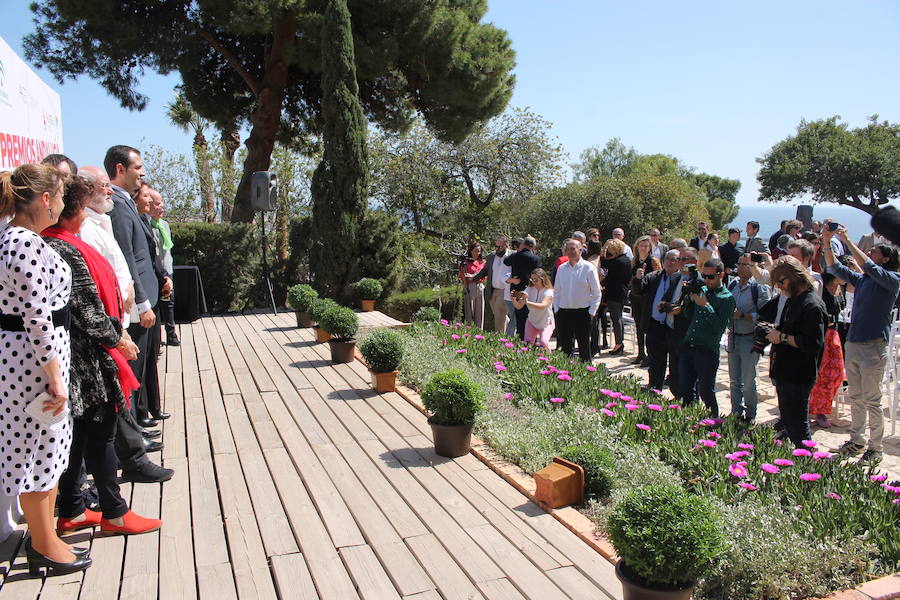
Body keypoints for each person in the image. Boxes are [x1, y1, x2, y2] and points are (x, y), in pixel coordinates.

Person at [42, 176, 161, 536]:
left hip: (81, 354)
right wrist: (118, 338)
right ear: (76, 207)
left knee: (81, 438)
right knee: (100, 435)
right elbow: (86, 310)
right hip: (87, 359)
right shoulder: (62, 247)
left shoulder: (61, 242)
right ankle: (114, 511)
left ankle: (74, 510)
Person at [0, 164, 92, 575]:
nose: (60, 202)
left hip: (34, 357)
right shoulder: (21, 243)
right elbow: (36, 315)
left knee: (50, 451)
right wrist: (54, 375)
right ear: (43, 199)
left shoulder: (20, 239)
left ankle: (46, 537)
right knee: (39, 451)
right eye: (57, 194)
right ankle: (42, 542)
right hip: (32, 364)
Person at [824, 226, 900, 464]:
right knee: (856, 396)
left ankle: (875, 447)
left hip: (873, 346)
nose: (870, 252)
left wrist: (846, 238)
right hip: (855, 343)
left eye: (875, 251)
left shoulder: (892, 280)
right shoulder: (864, 280)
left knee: (872, 399)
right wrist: (827, 243)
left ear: (886, 259)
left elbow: (868, 265)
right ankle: (857, 441)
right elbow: (835, 268)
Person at [105, 147, 160, 426]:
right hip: (137, 303)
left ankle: (137, 423)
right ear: (120, 169)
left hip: (145, 297)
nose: (143, 173)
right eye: (137, 167)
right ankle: (133, 431)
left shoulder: (125, 201)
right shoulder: (116, 204)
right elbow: (127, 257)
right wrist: (142, 302)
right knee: (133, 369)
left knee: (141, 365)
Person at [763, 256, 827, 448]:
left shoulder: (812, 305)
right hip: (784, 370)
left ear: (795, 276)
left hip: (799, 374)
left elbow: (812, 343)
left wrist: (781, 337)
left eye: (781, 282)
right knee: (789, 423)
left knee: (800, 427)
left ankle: (810, 467)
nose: (780, 287)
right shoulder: (792, 300)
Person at [677, 258, 736, 416]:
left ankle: (714, 421)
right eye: (704, 276)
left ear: (721, 275)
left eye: (711, 277)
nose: (707, 280)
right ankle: (687, 420)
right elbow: (689, 315)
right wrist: (689, 300)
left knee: (706, 392)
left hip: (707, 350)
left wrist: (706, 306)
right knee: (685, 389)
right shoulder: (702, 289)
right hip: (689, 345)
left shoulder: (727, 298)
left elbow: (719, 327)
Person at [78, 166, 135, 326]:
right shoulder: (86, 230)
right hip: (109, 322)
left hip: (119, 319)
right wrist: (123, 296)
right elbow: (95, 281)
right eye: (104, 185)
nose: (111, 191)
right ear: (85, 190)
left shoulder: (102, 222)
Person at [726, 254, 771, 423]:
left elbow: (765, 315)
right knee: (734, 379)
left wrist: (744, 316)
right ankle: (736, 413)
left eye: (745, 264)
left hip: (749, 338)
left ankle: (750, 415)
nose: (741, 267)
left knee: (748, 380)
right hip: (733, 336)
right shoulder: (733, 284)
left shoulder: (759, 287)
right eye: (739, 264)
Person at [639, 250, 683, 394]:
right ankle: (654, 390)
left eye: (674, 260)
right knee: (655, 362)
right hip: (655, 326)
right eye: (668, 259)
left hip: (673, 328)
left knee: (676, 364)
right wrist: (638, 279)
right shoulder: (654, 277)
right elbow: (638, 290)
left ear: (680, 262)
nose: (671, 262)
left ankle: (677, 395)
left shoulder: (683, 280)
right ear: (663, 261)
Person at [552, 239, 602, 362]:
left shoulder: (588, 268)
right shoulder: (562, 268)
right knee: (566, 348)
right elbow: (557, 291)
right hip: (564, 312)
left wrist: (591, 312)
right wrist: (557, 309)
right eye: (567, 249)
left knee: (584, 347)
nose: (570, 251)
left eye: (573, 249)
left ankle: (586, 374)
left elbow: (596, 292)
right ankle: (565, 375)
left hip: (583, 312)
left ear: (580, 250)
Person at [807, 271, 846, 428]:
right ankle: (813, 409)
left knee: (834, 373)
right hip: (821, 333)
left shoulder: (841, 287)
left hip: (834, 335)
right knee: (817, 372)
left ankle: (821, 409)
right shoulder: (820, 284)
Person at [148, 189, 179, 346]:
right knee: (155, 305)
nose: (162, 207)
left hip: (167, 270)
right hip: (154, 272)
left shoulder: (164, 225)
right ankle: (156, 338)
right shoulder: (146, 226)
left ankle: (171, 333)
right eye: (159, 203)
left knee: (169, 303)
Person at [629, 235, 661, 365]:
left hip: (648, 298)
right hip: (636, 297)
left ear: (649, 248)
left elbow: (659, 277)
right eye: (641, 245)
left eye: (646, 246)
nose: (643, 248)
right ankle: (640, 353)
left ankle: (649, 355)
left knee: (646, 326)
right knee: (638, 326)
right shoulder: (634, 260)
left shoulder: (653, 260)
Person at [472, 235, 512, 334]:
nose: (497, 249)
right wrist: (473, 277)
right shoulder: (491, 256)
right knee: (500, 315)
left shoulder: (513, 256)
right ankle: (510, 333)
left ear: (506, 246)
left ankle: (499, 339)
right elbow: (485, 270)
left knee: (499, 315)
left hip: (504, 290)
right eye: (496, 246)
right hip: (492, 290)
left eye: (500, 247)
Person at [504, 236, 541, 340]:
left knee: (519, 317)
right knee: (531, 317)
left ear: (523, 245)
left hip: (516, 291)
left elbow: (506, 261)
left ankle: (521, 340)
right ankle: (530, 340)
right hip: (530, 290)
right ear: (533, 247)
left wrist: (519, 250)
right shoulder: (535, 258)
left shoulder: (515, 256)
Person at [600, 239, 631, 356]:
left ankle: (618, 344)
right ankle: (620, 343)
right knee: (618, 318)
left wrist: (603, 250)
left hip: (615, 292)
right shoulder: (626, 259)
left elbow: (603, 262)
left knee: (616, 318)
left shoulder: (617, 262)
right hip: (622, 292)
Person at [510, 268, 554, 349]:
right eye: (532, 279)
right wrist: (513, 299)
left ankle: (548, 360)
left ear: (542, 279)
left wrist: (527, 302)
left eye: (536, 280)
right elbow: (519, 306)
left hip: (545, 323)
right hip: (532, 321)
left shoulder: (548, 291)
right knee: (527, 345)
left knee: (544, 343)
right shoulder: (529, 289)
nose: (533, 282)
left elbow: (542, 306)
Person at [584, 240, 606, 354]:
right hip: (599, 291)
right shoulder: (601, 260)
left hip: (592, 294)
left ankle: (592, 347)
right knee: (595, 322)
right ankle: (595, 346)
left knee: (592, 322)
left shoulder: (590, 262)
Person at [460, 242, 486, 328]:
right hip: (470, 287)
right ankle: (469, 330)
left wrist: (474, 277)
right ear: (471, 251)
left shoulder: (482, 262)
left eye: (479, 251)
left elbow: (485, 276)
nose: (477, 253)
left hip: (480, 287)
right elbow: (462, 276)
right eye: (475, 251)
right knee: (469, 312)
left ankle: (479, 332)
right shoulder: (466, 262)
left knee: (480, 312)